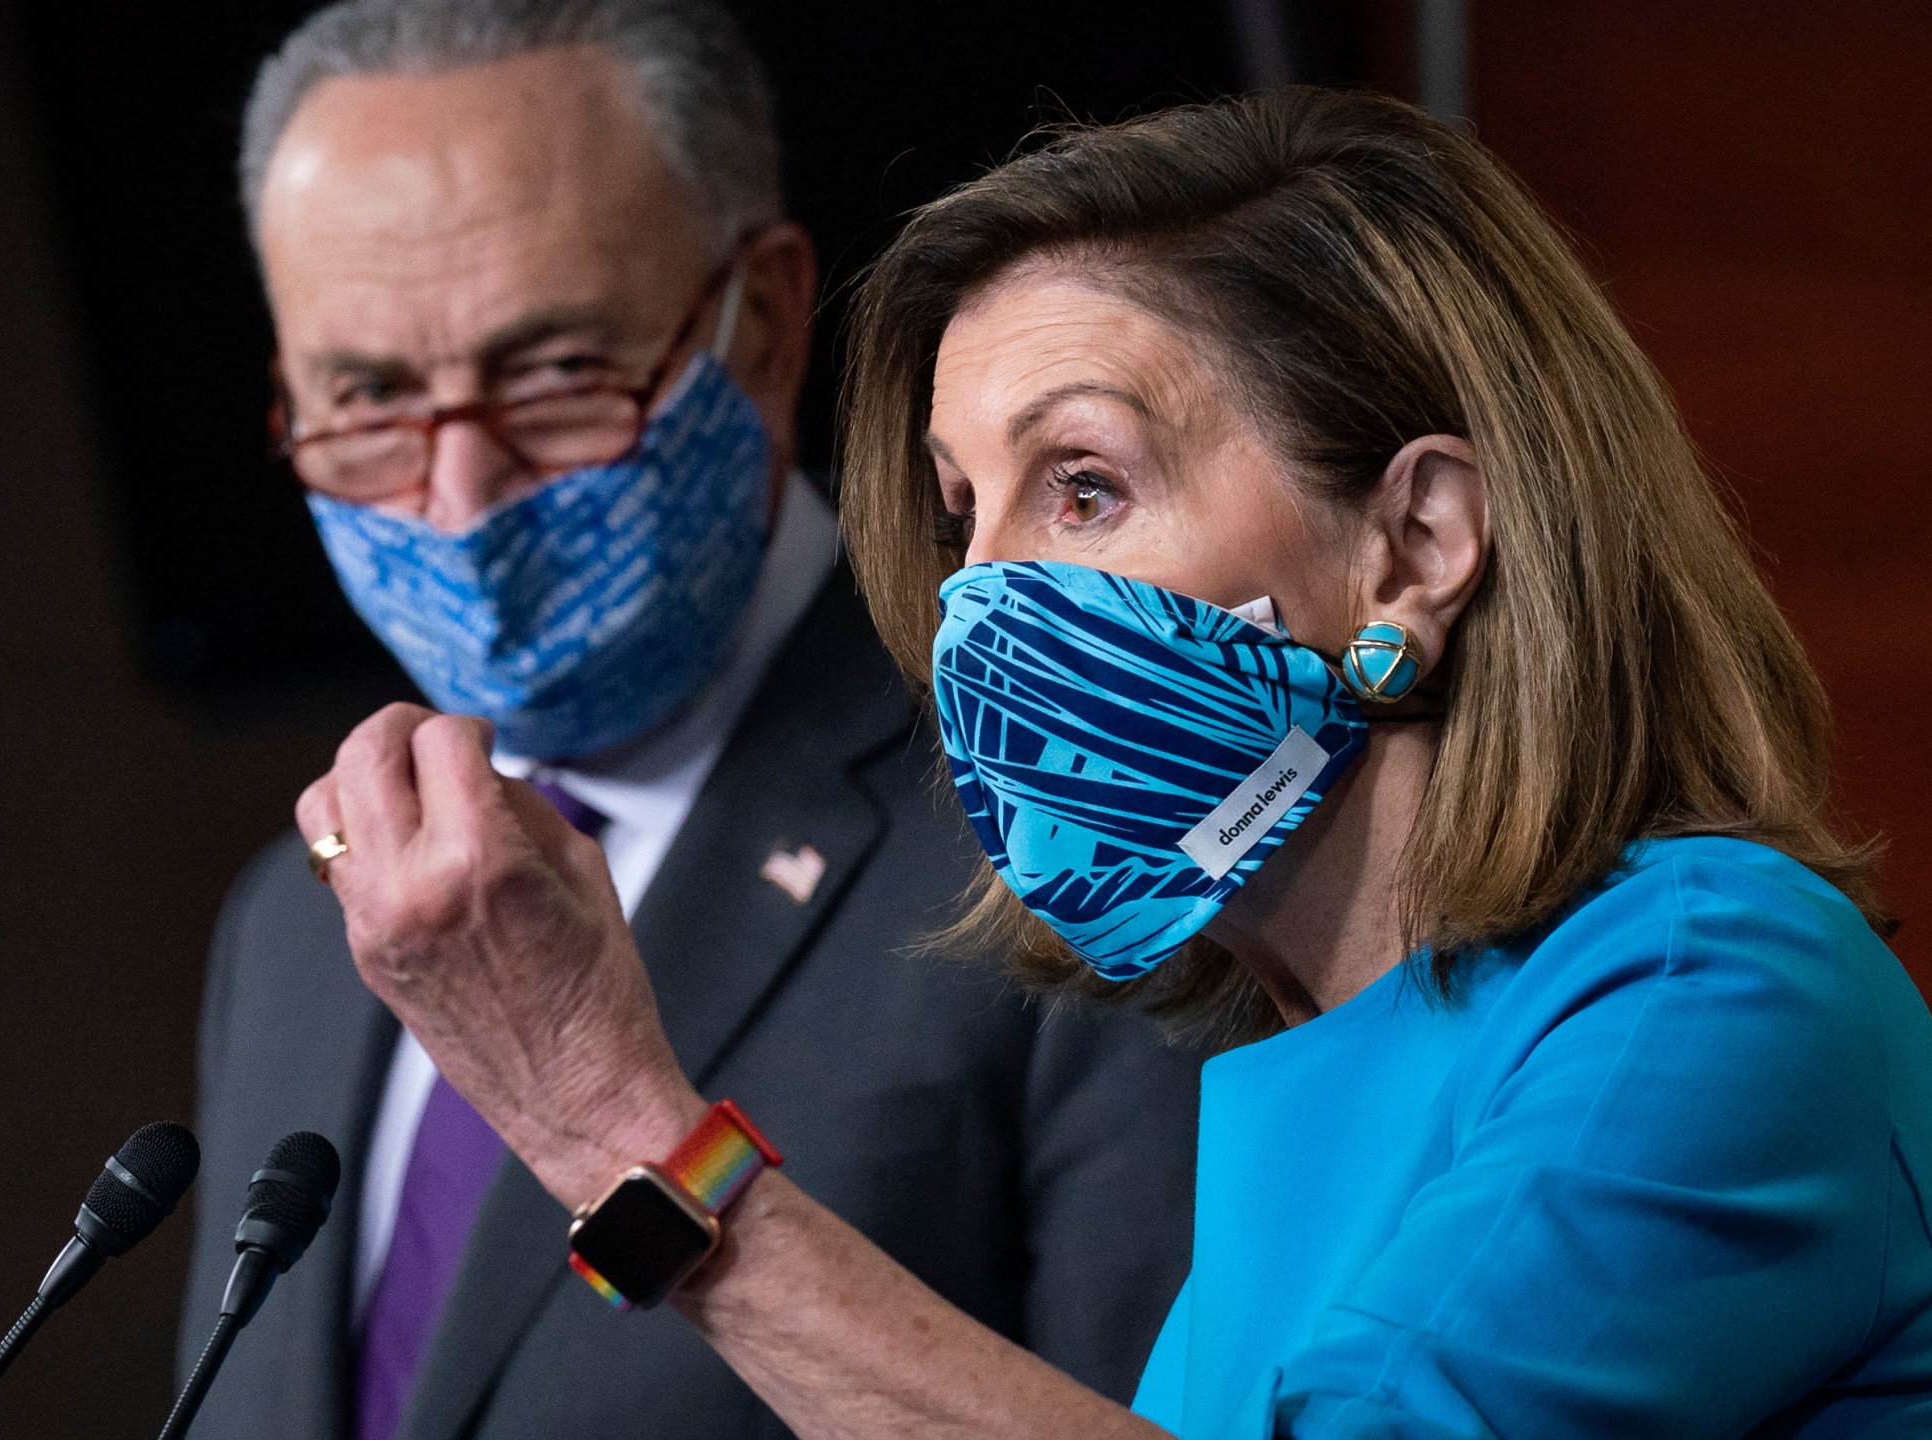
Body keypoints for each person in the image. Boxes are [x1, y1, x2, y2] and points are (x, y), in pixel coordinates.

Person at [299, 86, 1932, 1439]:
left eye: (1087, 487)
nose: (981, 604)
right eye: (966, 515)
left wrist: (616, 1128)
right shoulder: (1296, 1070)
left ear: (1416, 541)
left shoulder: (1711, 984)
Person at [177, 2, 1203, 1437]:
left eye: (553, 374)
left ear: (768, 322)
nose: (461, 501)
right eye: (368, 397)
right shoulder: (296, 921)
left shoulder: (1073, 817)